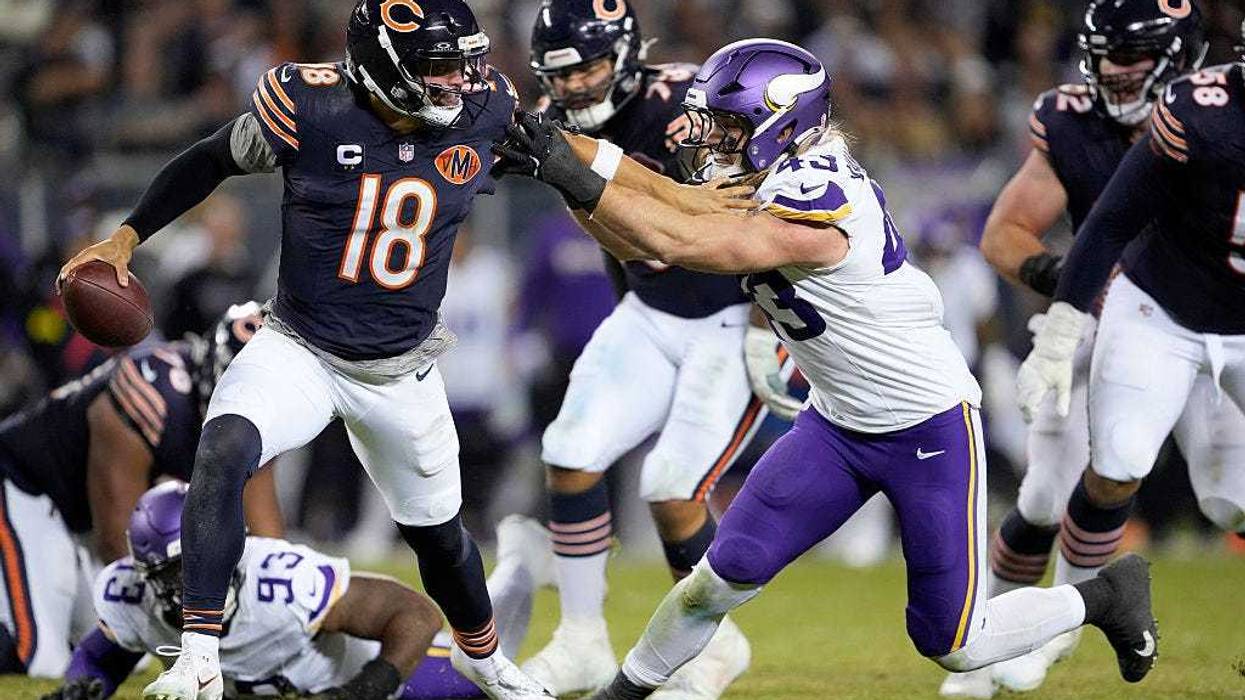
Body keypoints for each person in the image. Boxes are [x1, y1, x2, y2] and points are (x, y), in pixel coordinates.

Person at [493, 38, 1161, 700]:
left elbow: (679, 239)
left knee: (955, 643)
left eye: (729, 124)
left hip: (923, 427)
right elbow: (661, 200)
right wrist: (559, 154)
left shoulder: (820, 193)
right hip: (836, 424)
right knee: (712, 583)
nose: (710, 138)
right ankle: (620, 693)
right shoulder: (765, 171)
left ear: (780, 121)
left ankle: (1103, 596)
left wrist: (568, 175)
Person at [55, 1, 549, 698]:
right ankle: (199, 656)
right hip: (301, 348)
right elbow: (210, 159)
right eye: (436, 69)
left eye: (460, 64)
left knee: (440, 538)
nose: (457, 83)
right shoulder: (312, 110)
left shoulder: (486, 109)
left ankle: (485, 658)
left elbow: (561, 161)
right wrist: (129, 235)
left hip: (400, 367)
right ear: (384, 68)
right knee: (222, 449)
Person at [945, 2, 1237, 695]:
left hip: (1221, 321)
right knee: (1047, 491)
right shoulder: (1075, 121)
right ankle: (999, 639)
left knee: (1229, 501)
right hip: (1109, 317)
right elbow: (1004, 233)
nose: (1111, 70)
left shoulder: (1209, 116)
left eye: (1130, 57)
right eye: (1103, 54)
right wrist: (1063, 283)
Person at [520, 3, 771, 696]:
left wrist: (769, 322)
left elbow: (734, 216)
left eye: (591, 68)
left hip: (730, 311)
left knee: (670, 487)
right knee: (568, 453)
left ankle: (715, 645)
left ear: (627, 54)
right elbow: (611, 237)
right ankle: (580, 641)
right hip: (652, 308)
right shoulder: (557, 118)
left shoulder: (686, 107)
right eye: (561, 75)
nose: (574, 88)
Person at [41, 482, 558, 700]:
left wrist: (370, 686)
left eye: (202, 562)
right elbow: (102, 658)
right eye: (175, 574)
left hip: (368, 666)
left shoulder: (281, 582)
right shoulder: (128, 596)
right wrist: (83, 684)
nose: (194, 582)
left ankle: (520, 559)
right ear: (145, 575)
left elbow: (414, 612)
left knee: (483, 671)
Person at [0, 303, 281, 680]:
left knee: (137, 656)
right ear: (216, 369)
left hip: (75, 516)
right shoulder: (150, 390)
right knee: (44, 660)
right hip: (23, 485)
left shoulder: (265, 416)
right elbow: (116, 541)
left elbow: (269, 544)